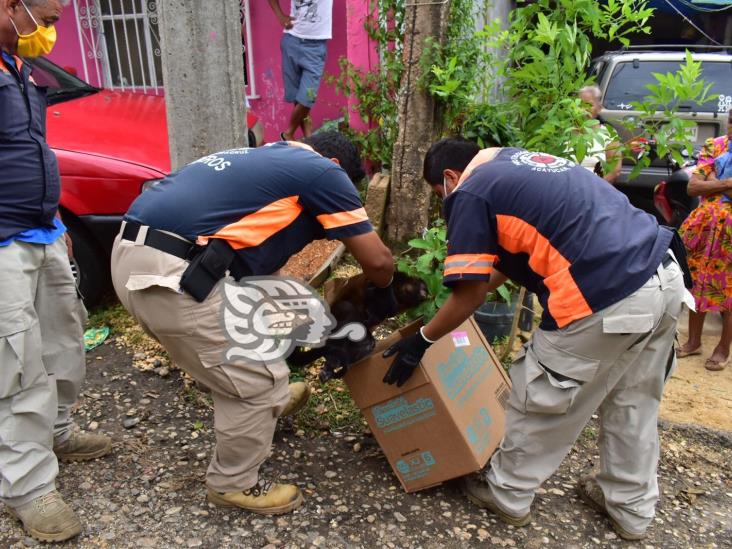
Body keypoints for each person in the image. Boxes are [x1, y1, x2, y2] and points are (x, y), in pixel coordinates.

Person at [382, 138, 687, 541]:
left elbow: (469, 293)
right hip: (664, 277)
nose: (445, 201)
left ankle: (506, 493)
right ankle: (630, 508)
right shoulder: (521, 164)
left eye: (440, 194)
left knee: (541, 394)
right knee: (633, 402)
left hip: (606, 293)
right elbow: (502, 266)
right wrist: (449, 315)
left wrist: (422, 339)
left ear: (449, 177)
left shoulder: (470, 190)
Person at [110, 132, 396, 515]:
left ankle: (270, 402)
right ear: (338, 167)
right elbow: (377, 262)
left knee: (287, 311)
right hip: (173, 278)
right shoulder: (323, 173)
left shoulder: (264, 161)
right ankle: (234, 483)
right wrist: (388, 293)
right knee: (256, 380)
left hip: (136, 257)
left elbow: (253, 263)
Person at [0, 0, 112, 543]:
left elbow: (30, 149)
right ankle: (26, 486)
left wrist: (52, 220)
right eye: (44, 19)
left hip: (41, 231)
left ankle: (57, 432)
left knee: (65, 337)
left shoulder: (15, 66)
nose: (48, 33)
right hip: (1, 244)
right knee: (15, 361)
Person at [676, 109, 732, 371]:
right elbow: (692, 187)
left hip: (728, 234)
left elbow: (704, 182)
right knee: (696, 282)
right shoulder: (715, 145)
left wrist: (713, 180)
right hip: (703, 228)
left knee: (728, 289)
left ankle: (723, 348)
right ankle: (694, 341)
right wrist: (727, 183)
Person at [268, 0, 332, 140]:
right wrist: (280, 15)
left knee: (307, 97)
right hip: (291, 40)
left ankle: (288, 134)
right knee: (298, 98)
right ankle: (309, 140)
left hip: (316, 46)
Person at [576, 85, 622, 184]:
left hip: (595, 190)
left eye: (589, 105)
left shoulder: (608, 133)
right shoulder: (564, 132)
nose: (583, 110)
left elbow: (615, 170)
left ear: (599, 107)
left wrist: (595, 187)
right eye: (580, 105)